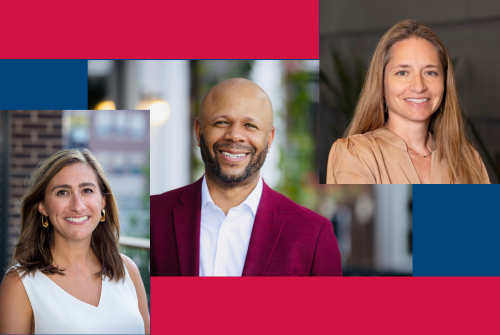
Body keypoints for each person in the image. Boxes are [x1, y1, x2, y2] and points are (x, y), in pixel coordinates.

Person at [151, 78, 342, 276]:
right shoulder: (155, 216)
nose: (235, 135)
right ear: (199, 132)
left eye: (250, 125)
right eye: (222, 122)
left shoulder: (313, 234)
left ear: (269, 139)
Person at [0, 149, 150, 334]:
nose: (78, 206)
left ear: (103, 200)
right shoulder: (20, 283)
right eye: (62, 192)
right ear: (42, 206)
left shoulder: (128, 270)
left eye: (87, 190)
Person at [326, 20, 490, 184]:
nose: (418, 86)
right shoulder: (355, 154)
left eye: (430, 72)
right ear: (381, 84)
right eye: (403, 72)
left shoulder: (469, 159)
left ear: (445, 83)